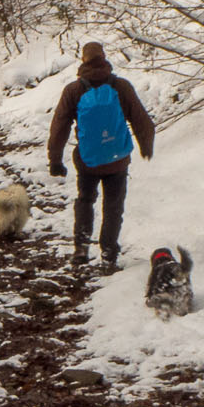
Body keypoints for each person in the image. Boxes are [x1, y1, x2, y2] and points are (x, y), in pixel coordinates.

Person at [46, 41, 155, 271]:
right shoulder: (121, 86)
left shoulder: (74, 90)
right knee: (113, 206)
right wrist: (146, 146)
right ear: (104, 58)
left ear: (83, 60)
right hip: (117, 159)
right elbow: (141, 119)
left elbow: (59, 127)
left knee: (85, 200)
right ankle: (108, 254)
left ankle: (81, 248)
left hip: (87, 160)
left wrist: (55, 160)